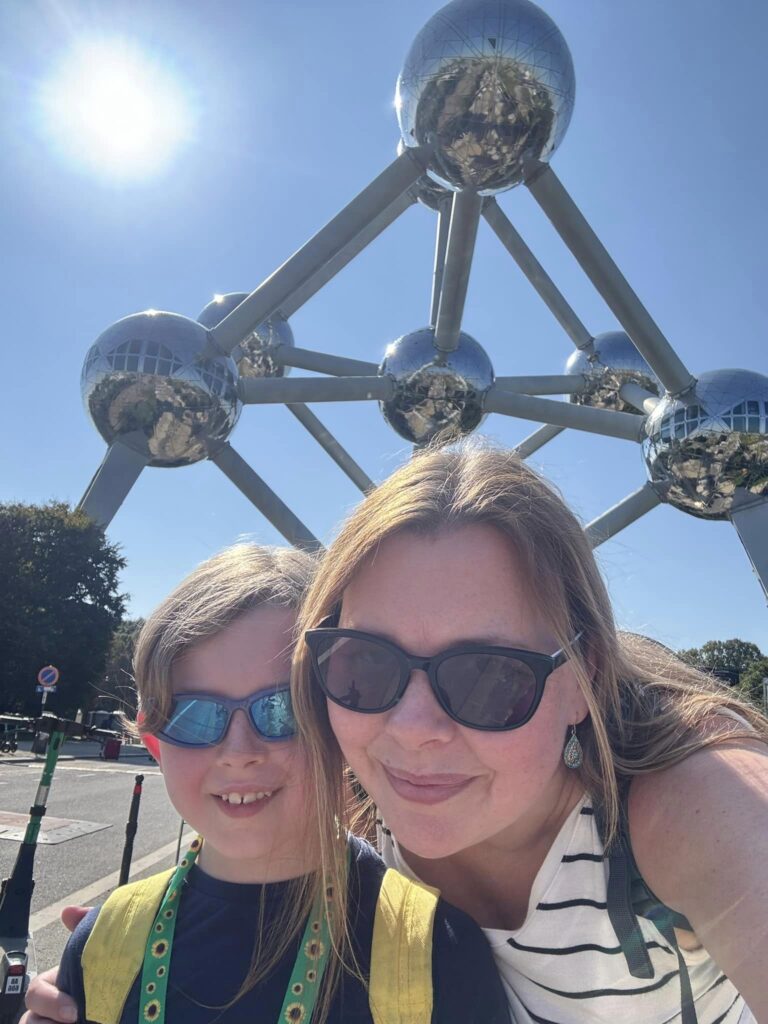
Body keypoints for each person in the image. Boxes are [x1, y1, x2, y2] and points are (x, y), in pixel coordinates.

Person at [24, 444, 768, 1023]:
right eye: (366, 669)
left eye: (488, 677)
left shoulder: (686, 805)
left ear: (582, 677)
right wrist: (139, 942)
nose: (411, 730)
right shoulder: (365, 791)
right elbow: (247, 797)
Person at [41, 542, 509, 1024]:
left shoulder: (437, 953)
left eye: (282, 709)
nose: (239, 753)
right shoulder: (101, 946)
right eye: (193, 717)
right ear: (157, 743)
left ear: (339, 727)